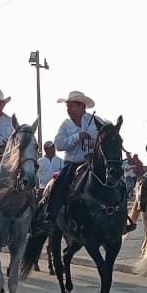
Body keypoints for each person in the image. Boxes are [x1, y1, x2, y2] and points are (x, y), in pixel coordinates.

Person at [44, 90, 102, 221]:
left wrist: (93, 143)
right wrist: (77, 137)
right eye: (67, 106)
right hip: (72, 164)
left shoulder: (96, 121)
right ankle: (50, 216)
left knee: (114, 181)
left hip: (94, 162)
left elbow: (106, 138)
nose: (68, 109)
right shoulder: (65, 125)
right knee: (59, 184)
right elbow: (59, 144)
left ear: (81, 106)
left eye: (71, 106)